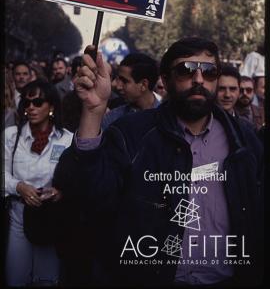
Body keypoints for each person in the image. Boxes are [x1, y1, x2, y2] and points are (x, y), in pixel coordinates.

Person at [53, 38, 263, 287]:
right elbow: (90, 197)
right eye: (186, 70)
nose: (198, 79)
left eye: (208, 71)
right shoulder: (132, 133)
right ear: (165, 78)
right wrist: (93, 112)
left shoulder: (244, 139)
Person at [4, 79, 73, 287]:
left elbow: (74, 183)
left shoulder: (67, 139)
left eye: (38, 102)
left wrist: (59, 193)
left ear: (51, 106)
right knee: (15, 278)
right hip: (18, 216)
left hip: (49, 218)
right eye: (27, 103)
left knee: (46, 280)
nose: (31, 108)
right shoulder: (11, 136)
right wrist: (19, 187)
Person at [101, 52, 160, 129]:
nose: (117, 86)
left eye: (124, 81)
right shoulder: (112, 118)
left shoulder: (167, 118)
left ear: (143, 85)